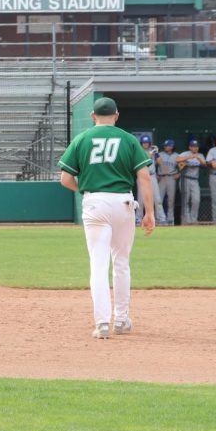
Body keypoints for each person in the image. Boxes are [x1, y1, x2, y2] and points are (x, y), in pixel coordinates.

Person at [57, 97, 154, 340]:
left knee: (98, 265)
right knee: (121, 262)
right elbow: (144, 177)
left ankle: (102, 323)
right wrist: (149, 212)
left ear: (92, 116)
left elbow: (65, 179)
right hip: (123, 202)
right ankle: (121, 320)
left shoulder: (81, 139)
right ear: (117, 115)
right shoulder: (129, 139)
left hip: (95, 203)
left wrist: (88, 190)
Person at [135, 135, 166, 226]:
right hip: (141, 176)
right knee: (141, 199)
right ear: (141, 143)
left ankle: (161, 218)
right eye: (144, 143)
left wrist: (156, 153)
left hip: (152, 176)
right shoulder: (138, 150)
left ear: (149, 143)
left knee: (157, 198)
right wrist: (150, 153)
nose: (145, 144)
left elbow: (160, 163)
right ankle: (138, 218)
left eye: (147, 143)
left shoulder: (153, 152)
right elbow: (144, 158)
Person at [177, 139, 206, 224]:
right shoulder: (186, 153)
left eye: (196, 146)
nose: (195, 148)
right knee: (185, 200)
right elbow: (177, 159)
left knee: (196, 200)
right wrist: (188, 157)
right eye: (193, 146)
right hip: (185, 179)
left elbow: (204, 164)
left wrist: (199, 159)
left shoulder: (200, 155)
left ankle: (194, 219)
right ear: (190, 147)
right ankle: (187, 220)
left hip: (194, 180)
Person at [155, 139, 179, 225]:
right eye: (165, 146)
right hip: (161, 178)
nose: (165, 147)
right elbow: (153, 165)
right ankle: (159, 219)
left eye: (167, 146)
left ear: (171, 147)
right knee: (159, 199)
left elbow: (183, 165)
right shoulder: (160, 154)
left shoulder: (177, 156)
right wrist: (156, 175)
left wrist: (179, 174)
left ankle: (170, 219)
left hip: (171, 178)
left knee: (171, 200)